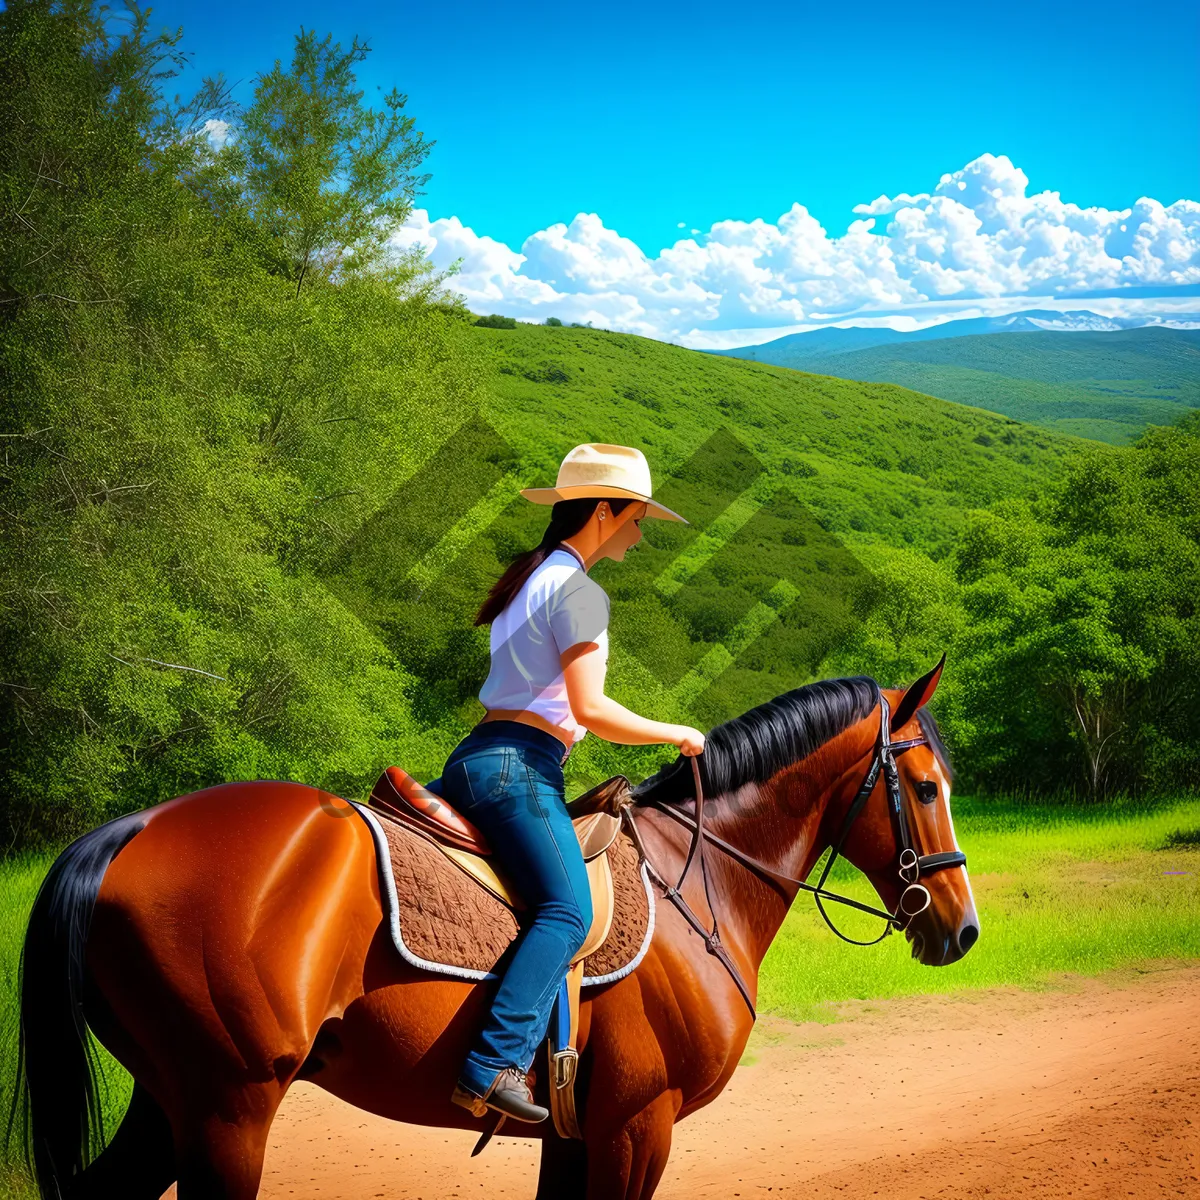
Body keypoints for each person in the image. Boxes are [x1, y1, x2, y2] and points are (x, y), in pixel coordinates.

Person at [439, 442, 706, 1124]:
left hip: (474, 758)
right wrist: (676, 732)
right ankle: (491, 1063)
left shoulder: (529, 578)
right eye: (637, 518)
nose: (641, 534)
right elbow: (589, 710)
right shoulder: (580, 592)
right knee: (567, 911)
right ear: (605, 512)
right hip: (519, 768)